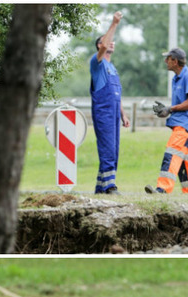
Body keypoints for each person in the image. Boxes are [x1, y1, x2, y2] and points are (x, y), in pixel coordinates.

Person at [90, 11, 130, 195]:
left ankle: (101, 187)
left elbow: (116, 94)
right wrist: (114, 23)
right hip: (103, 112)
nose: (111, 42)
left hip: (114, 112)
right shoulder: (96, 63)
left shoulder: (112, 67)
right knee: (107, 149)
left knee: (113, 149)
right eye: (107, 41)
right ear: (100, 45)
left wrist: (123, 114)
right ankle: (110, 187)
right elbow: (106, 43)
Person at [145, 48, 188, 194]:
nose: (165, 61)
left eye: (168, 58)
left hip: (184, 125)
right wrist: (167, 112)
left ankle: (162, 189)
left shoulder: (187, 76)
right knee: (183, 160)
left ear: (175, 61)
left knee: (172, 154)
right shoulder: (176, 79)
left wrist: (170, 109)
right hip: (181, 123)